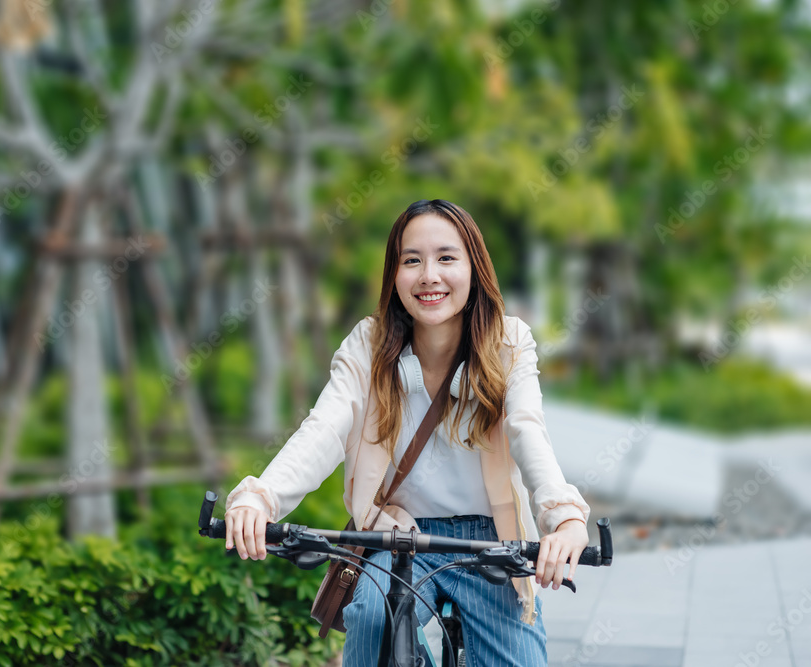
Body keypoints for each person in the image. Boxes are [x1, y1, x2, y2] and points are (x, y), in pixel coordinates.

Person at [224, 199, 591, 667]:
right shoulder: (368, 345)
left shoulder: (508, 342)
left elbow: (526, 429)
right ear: (393, 275)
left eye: (446, 258)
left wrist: (564, 517)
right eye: (411, 260)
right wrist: (261, 498)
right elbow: (324, 429)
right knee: (373, 624)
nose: (428, 275)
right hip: (398, 537)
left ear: (474, 268)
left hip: (490, 541)